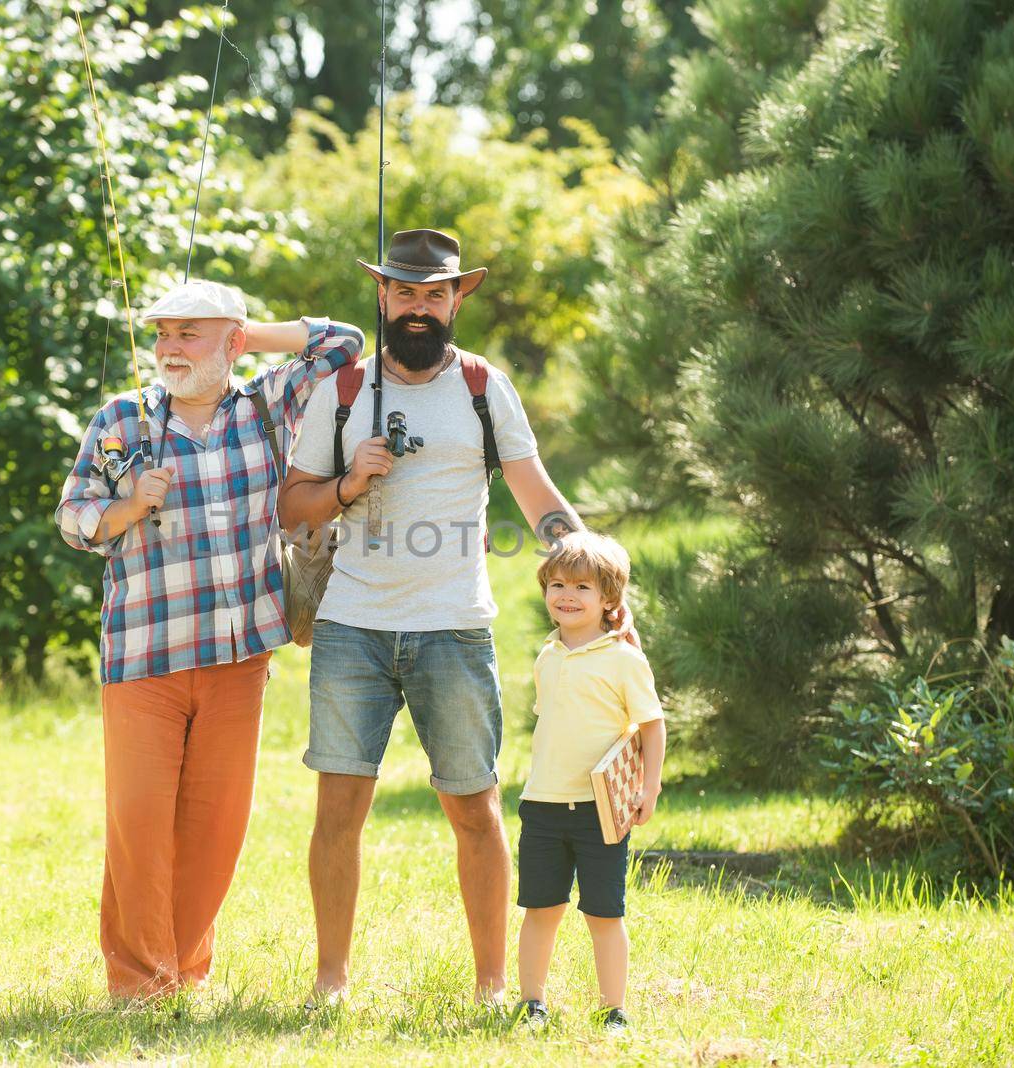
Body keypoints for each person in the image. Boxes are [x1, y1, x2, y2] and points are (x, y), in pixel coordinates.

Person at [278, 228, 616, 1006]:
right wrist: (346, 486)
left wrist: (584, 560)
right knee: (338, 810)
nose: (420, 308)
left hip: (455, 628)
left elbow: (535, 491)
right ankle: (330, 982)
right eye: (405, 293)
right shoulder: (340, 392)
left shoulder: (481, 386)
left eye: (435, 294)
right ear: (383, 297)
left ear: (457, 298)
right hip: (350, 628)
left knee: (475, 805)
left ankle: (493, 986)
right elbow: (294, 510)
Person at [55, 279, 363, 1000]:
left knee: (215, 828)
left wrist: (252, 337)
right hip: (145, 654)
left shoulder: (265, 404)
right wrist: (128, 507)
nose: (168, 348)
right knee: (139, 823)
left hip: (239, 658)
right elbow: (73, 519)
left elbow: (344, 342)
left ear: (232, 341)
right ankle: (138, 983)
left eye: (189, 333)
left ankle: (182, 972)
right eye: (163, 334)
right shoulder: (122, 420)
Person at [513, 531, 665, 1031]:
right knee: (541, 908)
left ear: (608, 599)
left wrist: (650, 787)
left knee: (604, 913)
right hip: (542, 805)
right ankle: (533, 1003)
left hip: (601, 809)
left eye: (581, 587)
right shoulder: (547, 656)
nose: (567, 596)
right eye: (557, 584)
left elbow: (651, 726)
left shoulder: (624, 659)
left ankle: (613, 1010)